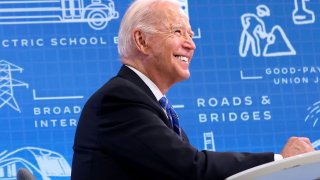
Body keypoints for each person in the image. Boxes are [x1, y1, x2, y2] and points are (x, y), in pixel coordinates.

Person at [71, 0, 315, 179]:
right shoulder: (120, 100)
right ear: (142, 41)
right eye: (178, 32)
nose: (191, 44)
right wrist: (281, 161)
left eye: (191, 34)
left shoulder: (149, 103)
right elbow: (191, 168)